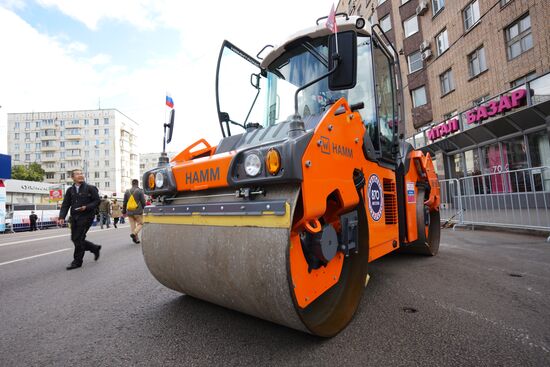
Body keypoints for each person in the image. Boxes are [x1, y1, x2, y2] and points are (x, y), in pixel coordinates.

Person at [58, 169, 102, 270]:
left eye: (81, 173)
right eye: (77, 174)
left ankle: (77, 261)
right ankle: (94, 248)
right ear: (72, 177)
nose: (80, 175)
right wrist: (61, 217)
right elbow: (65, 204)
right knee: (75, 239)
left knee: (78, 238)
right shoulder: (70, 190)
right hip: (74, 217)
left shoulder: (91, 188)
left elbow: (97, 201)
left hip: (87, 217)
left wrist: (86, 207)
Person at [123, 179, 146, 244]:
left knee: (133, 226)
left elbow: (124, 202)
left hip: (129, 212)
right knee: (141, 223)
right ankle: (134, 233)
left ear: (131, 184)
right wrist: (145, 209)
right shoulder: (140, 191)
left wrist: (124, 211)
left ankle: (136, 239)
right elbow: (143, 202)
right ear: (137, 183)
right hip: (138, 211)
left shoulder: (127, 191)